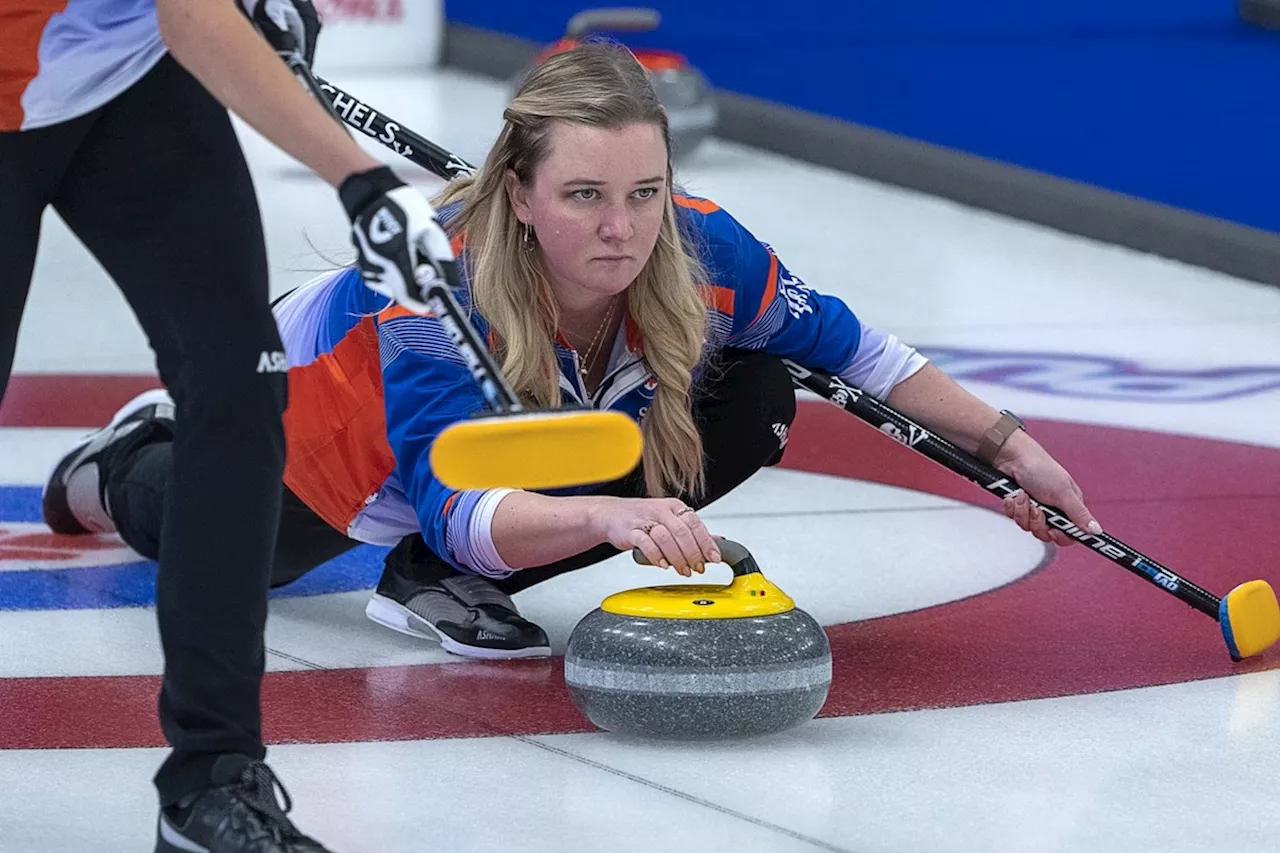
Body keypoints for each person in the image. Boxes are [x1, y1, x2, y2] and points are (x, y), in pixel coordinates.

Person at [44, 41, 1104, 673]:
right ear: (519, 194)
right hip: (324, 454)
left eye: (642, 193)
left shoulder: (700, 245)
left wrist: (1005, 443)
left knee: (759, 391)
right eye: (584, 196)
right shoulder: (435, 287)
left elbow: (857, 349)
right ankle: (126, 453)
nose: (622, 230)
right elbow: (455, 498)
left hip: (491, 458)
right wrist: (608, 515)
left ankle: (432, 588)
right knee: (185, 532)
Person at [2, 0, 458, 850]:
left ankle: (213, 779)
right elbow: (193, 15)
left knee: (240, 385)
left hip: (120, 76)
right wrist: (364, 182)